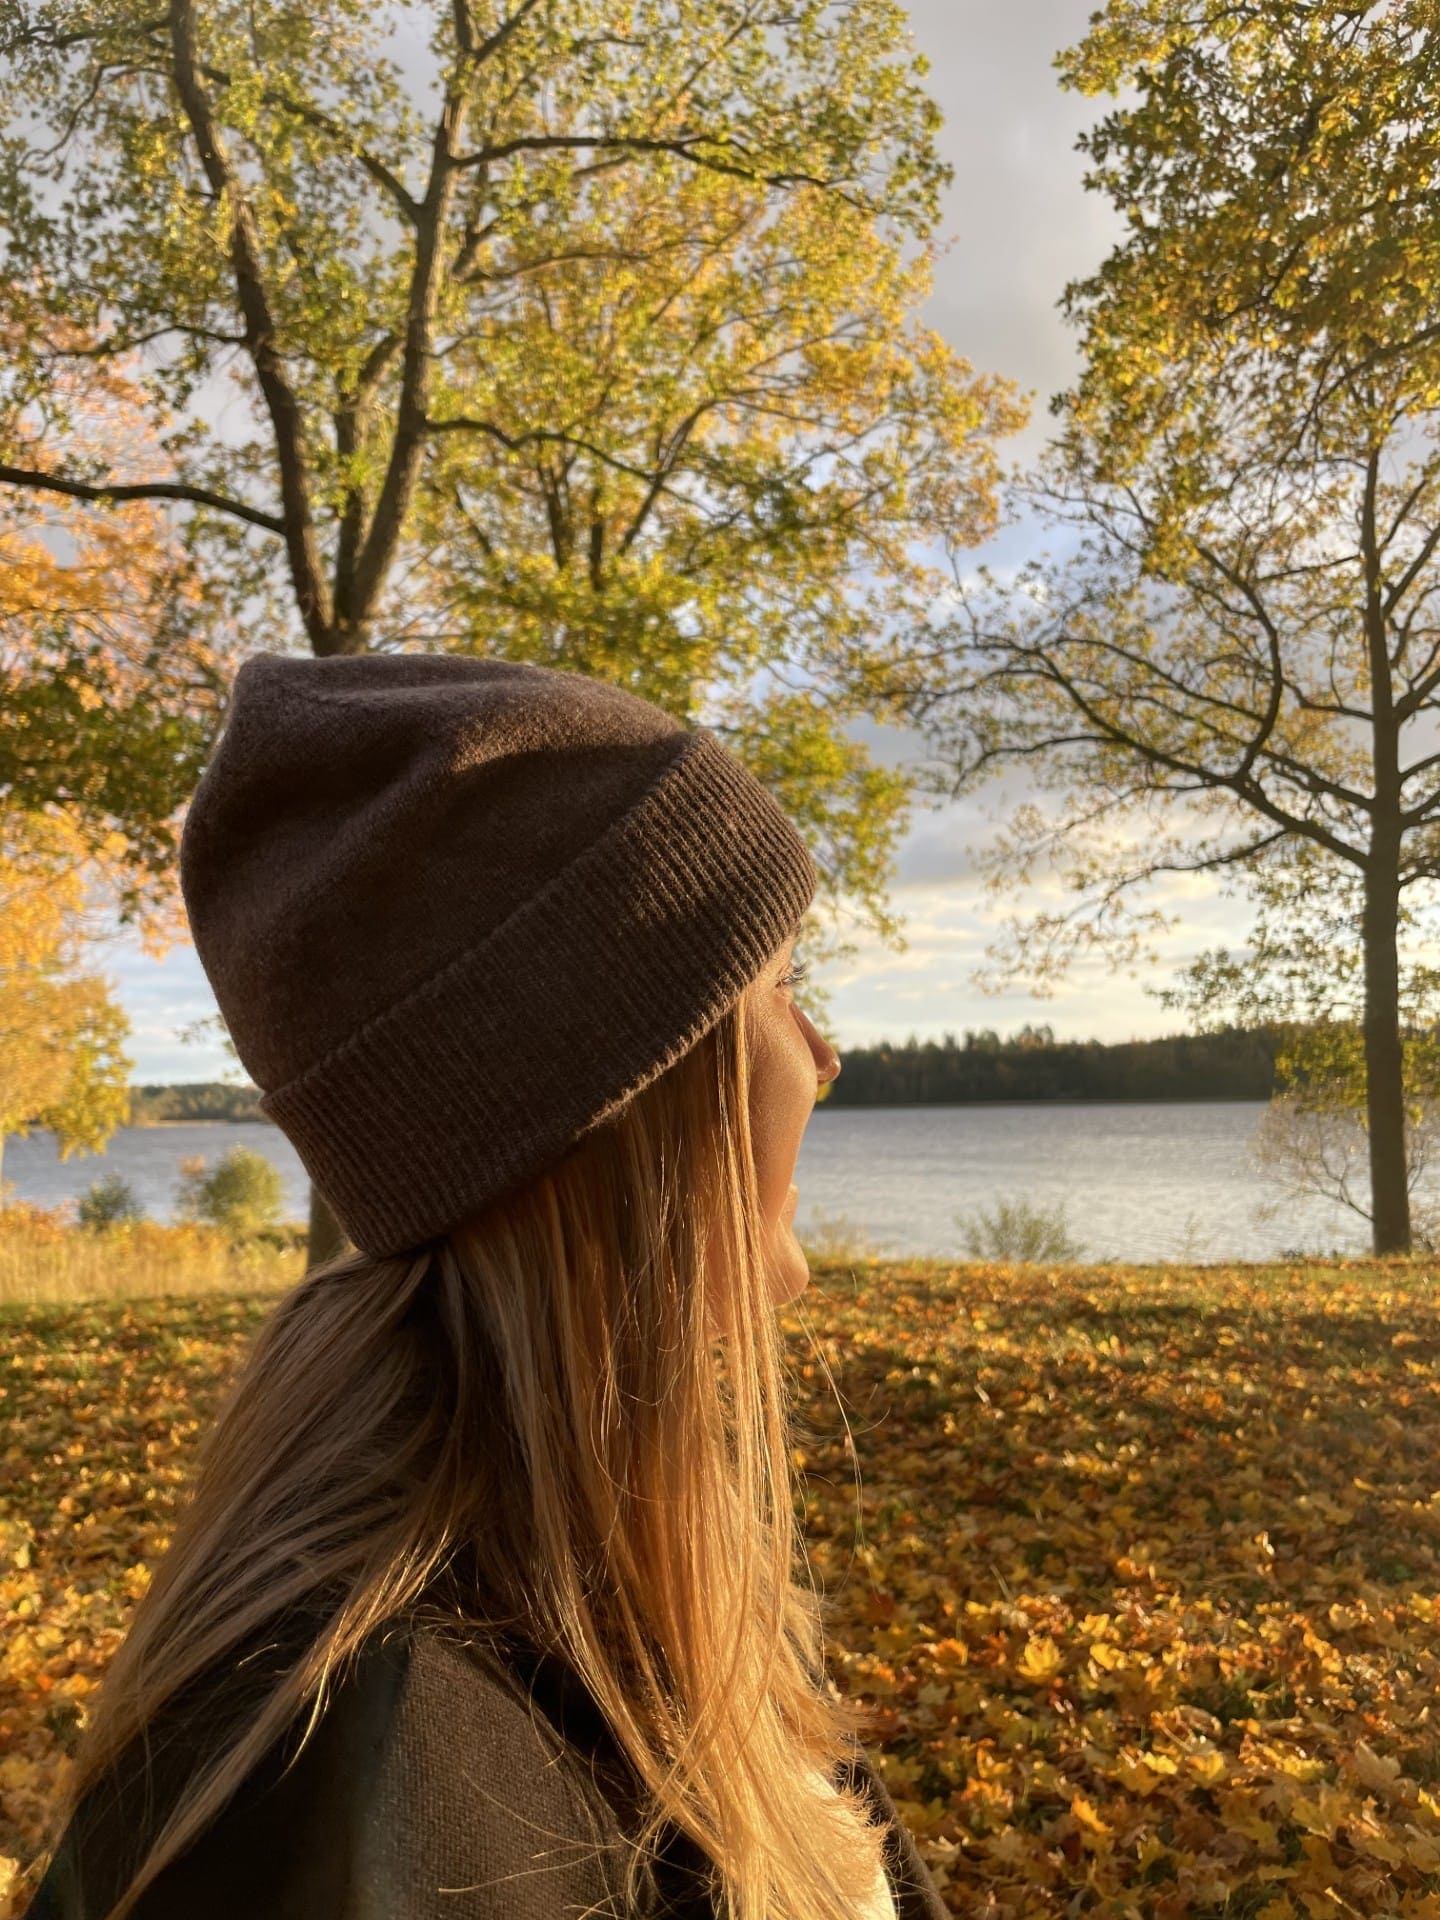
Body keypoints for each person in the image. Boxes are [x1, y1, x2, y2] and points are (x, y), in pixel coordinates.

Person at [24, 653, 949, 1920]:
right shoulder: (369, 1766)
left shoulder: (641, 1571)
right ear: (617, 1108)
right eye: (780, 987)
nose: (821, 1056)